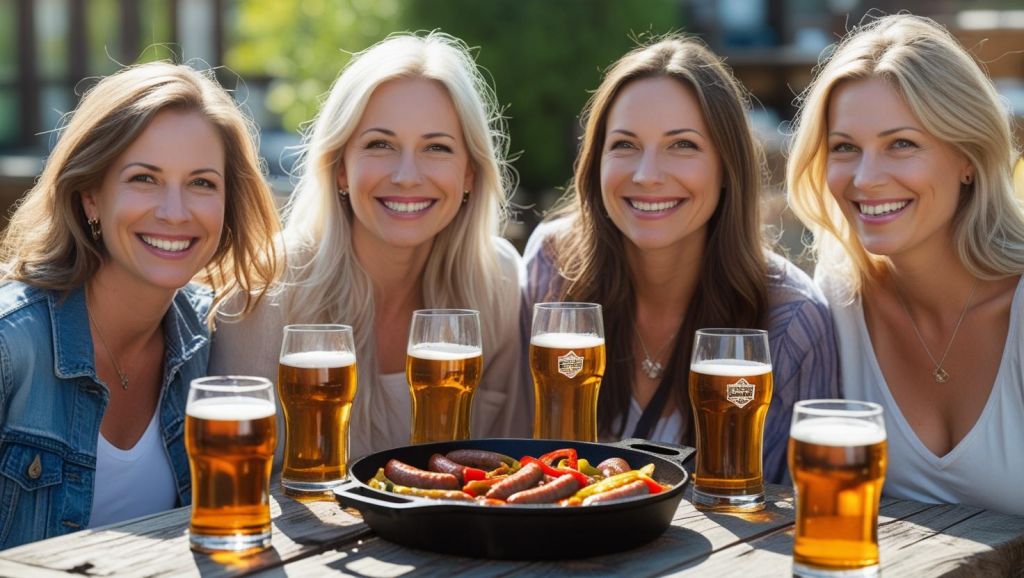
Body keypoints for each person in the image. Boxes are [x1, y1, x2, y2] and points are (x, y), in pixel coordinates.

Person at [523, 35, 839, 483]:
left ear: (728, 166)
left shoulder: (793, 320)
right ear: (595, 162)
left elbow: (790, 508)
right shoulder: (551, 266)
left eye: (682, 145)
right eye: (625, 145)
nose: (648, 174)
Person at [0, 62, 281, 548]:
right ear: (90, 196)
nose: (175, 212)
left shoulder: (209, 335)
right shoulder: (11, 346)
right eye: (144, 178)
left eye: (201, 183)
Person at [210, 32, 526, 459]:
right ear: (340, 168)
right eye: (380, 144)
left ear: (469, 173)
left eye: (437, 147)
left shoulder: (499, 279)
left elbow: (504, 468)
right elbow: (241, 475)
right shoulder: (263, 290)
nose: (407, 175)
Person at [788, 14, 1024, 514]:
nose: (866, 178)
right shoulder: (837, 296)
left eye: (902, 144)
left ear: (968, 157)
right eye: (845, 148)